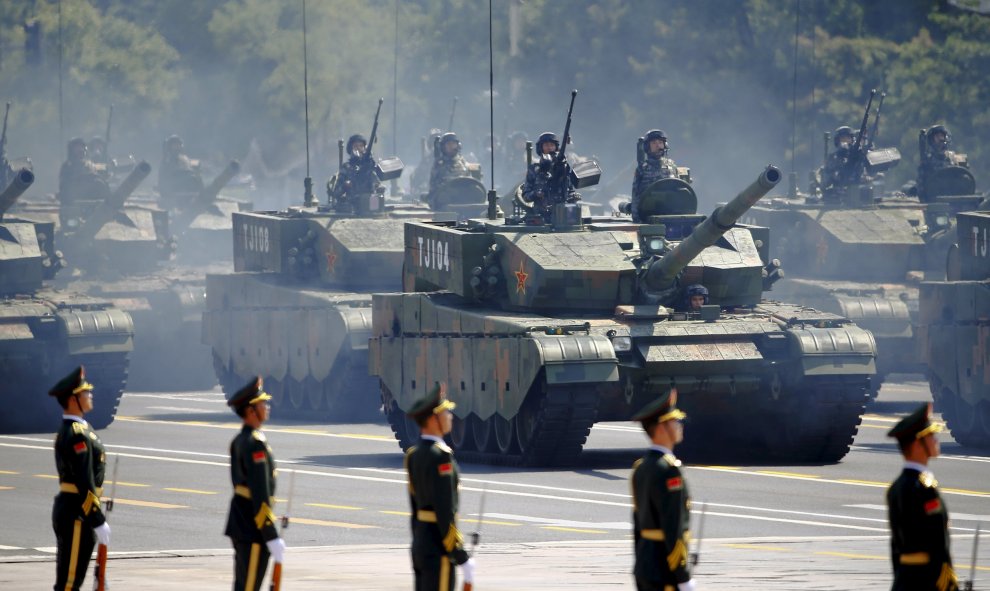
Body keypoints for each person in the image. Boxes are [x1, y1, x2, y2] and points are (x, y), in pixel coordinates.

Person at [405, 382, 475, 591]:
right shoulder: (440, 457)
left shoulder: (413, 454)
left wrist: (418, 541)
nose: (450, 417)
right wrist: (460, 555)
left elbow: (415, 509)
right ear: (432, 419)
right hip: (439, 546)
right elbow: (445, 510)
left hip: (421, 544)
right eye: (445, 413)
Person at [49, 366, 111, 591]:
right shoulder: (76, 432)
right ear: (74, 399)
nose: (90, 395)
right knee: (68, 583)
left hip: (77, 510)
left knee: (73, 579)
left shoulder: (80, 429)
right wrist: (96, 518)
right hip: (77, 511)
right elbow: (84, 479)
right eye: (85, 392)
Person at [886, 402, 958, 591]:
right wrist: (949, 587)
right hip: (927, 582)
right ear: (918, 444)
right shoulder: (924, 488)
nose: (936, 440)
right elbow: (938, 546)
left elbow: (895, 547)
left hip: (903, 582)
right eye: (931, 435)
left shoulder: (896, 487)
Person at [630, 387, 694, 591]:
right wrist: (683, 577)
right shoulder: (668, 470)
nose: (679, 425)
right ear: (660, 429)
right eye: (674, 422)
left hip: (645, 565)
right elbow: (673, 526)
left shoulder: (640, 467)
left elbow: (637, 525)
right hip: (665, 569)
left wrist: (641, 561)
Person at [224, 376, 285, 591]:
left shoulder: (241, 440)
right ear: (251, 411)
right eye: (262, 404)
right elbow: (260, 495)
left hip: (242, 522)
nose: (266, 407)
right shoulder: (255, 445)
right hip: (252, 527)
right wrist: (271, 535)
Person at [631, 129, 689, 222]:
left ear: (665, 145)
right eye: (654, 143)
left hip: (671, 215)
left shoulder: (672, 166)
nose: (658, 145)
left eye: (660, 142)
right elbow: (636, 196)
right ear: (647, 146)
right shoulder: (642, 169)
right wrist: (638, 221)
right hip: (649, 216)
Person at [521, 131, 579, 222]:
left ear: (556, 148)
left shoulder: (563, 168)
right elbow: (525, 196)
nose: (550, 148)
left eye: (552, 145)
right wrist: (536, 194)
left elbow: (570, 190)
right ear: (541, 148)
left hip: (562, 216)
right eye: (546, 145)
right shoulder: (534, 170)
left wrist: (573, 196)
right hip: (541, 217)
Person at [329, 133, 381, 209]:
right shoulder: (346, 167)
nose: (359, 148)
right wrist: (345, 185)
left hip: (371, 206)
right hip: (353, 206)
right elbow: (336, 193)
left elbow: (378, 185)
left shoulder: (370, 166)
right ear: (351, 149)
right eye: (355, 146)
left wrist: (379, 187)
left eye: (361, 146)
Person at [917, 125, 965, 203]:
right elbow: (921, 184)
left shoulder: (954, 158)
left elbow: (964, 179)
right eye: (937, 136)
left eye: (942, 136)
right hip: (934, 199)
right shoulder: (927, 161)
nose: (941, 139)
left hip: (955, 198)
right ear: (932, 140)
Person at [58, 137, 111, 205]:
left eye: (82, 147)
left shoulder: (89, 164)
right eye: (77, 148)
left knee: (100, 184)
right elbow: (65, 186)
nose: (80, 150)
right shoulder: (67, 166)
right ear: (72, 150)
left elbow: (102, 170)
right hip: (74, 199)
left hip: (92, 197)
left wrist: (105, 170)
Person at [820, 126, 865, 199]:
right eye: (842, 138)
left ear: (852, 140)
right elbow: (826, 181)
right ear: (837, 140)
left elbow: (863, 174)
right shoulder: (832, 157)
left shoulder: (857, 156)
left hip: (856, 192)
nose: (845, 141)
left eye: (847, 138)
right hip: (837, 193)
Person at [158, 134, 204, 201]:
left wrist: (194, 170)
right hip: (173, 185)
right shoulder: (167, 158)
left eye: (178, 145)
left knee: (197, 176)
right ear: (170, 146)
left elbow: (188, 167)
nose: (177, 147)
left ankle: (202, 196)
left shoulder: (183, 157)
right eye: (174, 145)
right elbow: (166, 175)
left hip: (186, 183)